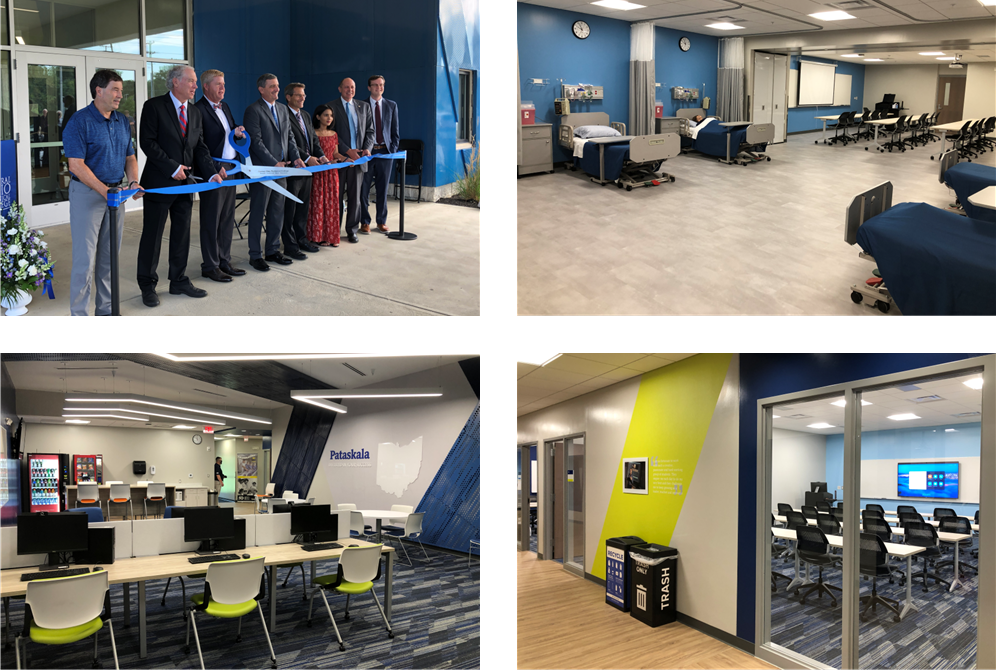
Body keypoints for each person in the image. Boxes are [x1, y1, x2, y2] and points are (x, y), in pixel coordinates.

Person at [136, 65, 225, 307]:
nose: (196, 86)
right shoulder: (153, 106)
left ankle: (178, 280)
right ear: (176, 82)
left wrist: (212, 172)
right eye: (191, 81)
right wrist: (172, 167)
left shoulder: (194, 112)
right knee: (152, 236)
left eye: (196, 82)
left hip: (185, 186)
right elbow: (148, 143)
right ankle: (147, 285)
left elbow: (199, 147)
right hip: (159, 184)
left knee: (182, 235)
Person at [63, 70, 144, 316]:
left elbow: (130, 157)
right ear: (99, 91)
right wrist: (105, 191)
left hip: (115, 195)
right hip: (87, 195)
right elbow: (75, 164)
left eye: (121, 90)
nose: (120, 95)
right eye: (115, 89)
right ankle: (79, 313)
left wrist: (132, 182)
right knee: (84, 262)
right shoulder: (79, 121)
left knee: (109, 259)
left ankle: (106, 310)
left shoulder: (121, 121)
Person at [244, 73, 306, 271]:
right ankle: (255, 255)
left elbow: (289, 137)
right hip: (263, 171)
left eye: (277, 86)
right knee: (258, 212)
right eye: (272, 86)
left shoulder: (281, 109)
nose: (277, 89)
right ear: (261, 89)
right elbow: (256, 141)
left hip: (282, 170)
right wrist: (273, 163)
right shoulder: (253, 110)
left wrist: (296, 157)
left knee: (277, 212)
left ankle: (272, 250)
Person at [195, 68, 247, 282]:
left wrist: (237, 131)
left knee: (227, 218)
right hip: (214, 170)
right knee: (211, 219)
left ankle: (224, 260)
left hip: (231, 168)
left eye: (224, 84)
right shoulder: (197, 110)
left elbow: (229, 130)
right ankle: (210, 265)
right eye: (218, 84)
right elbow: (198, 145)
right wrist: (215, 166)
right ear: (206, 86)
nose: (223, 88)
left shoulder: (224, 106)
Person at [283, 82, 329, 259]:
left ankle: (301, 239)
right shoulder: (283, 114)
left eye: (304, 95)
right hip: (294, 169)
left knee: (303, 208)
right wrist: (307, 158)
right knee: (290, 210)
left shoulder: (306, 116)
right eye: (298, 95)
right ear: (288, 97)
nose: (303, 98)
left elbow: (313, 141)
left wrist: (321, 155)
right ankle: (289, 245)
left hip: (308, 171)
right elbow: (289, 142)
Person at [326, 78, 374, 243]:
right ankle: (334, 231)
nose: (349, 90)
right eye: (346, 87)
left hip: (359, 160)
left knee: (355, 197)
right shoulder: (331, 107)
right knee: (336, 198)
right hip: (340, 160)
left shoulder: (364, 106)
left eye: (352, 87)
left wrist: (367, 148)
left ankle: (352, 230)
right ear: (340, 89)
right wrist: (347, 151)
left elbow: (370, 131)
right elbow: (331, 133)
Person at [361, 75, 399, 234]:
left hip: (385, 152)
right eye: (375, 85)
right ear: (369, 88)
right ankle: (364, 222)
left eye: (381, 85)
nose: (379, 87)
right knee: (363, 189)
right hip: (367, 153)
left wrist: (393, 150)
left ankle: (381, 221)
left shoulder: (392, 105)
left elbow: (395, 131)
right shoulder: (361, 106)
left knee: (383, 188)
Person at [307, 104, 346, 247]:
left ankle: (331, 236)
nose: (329, 118)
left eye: (331, 115)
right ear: (318, 117)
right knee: (318, 203)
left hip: (332, 173)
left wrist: (345, 159)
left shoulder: (334, 134)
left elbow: (335, 153)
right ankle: (318, 236)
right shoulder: (312, 133)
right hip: (318, 172)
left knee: (332, 204)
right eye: (326, 115)